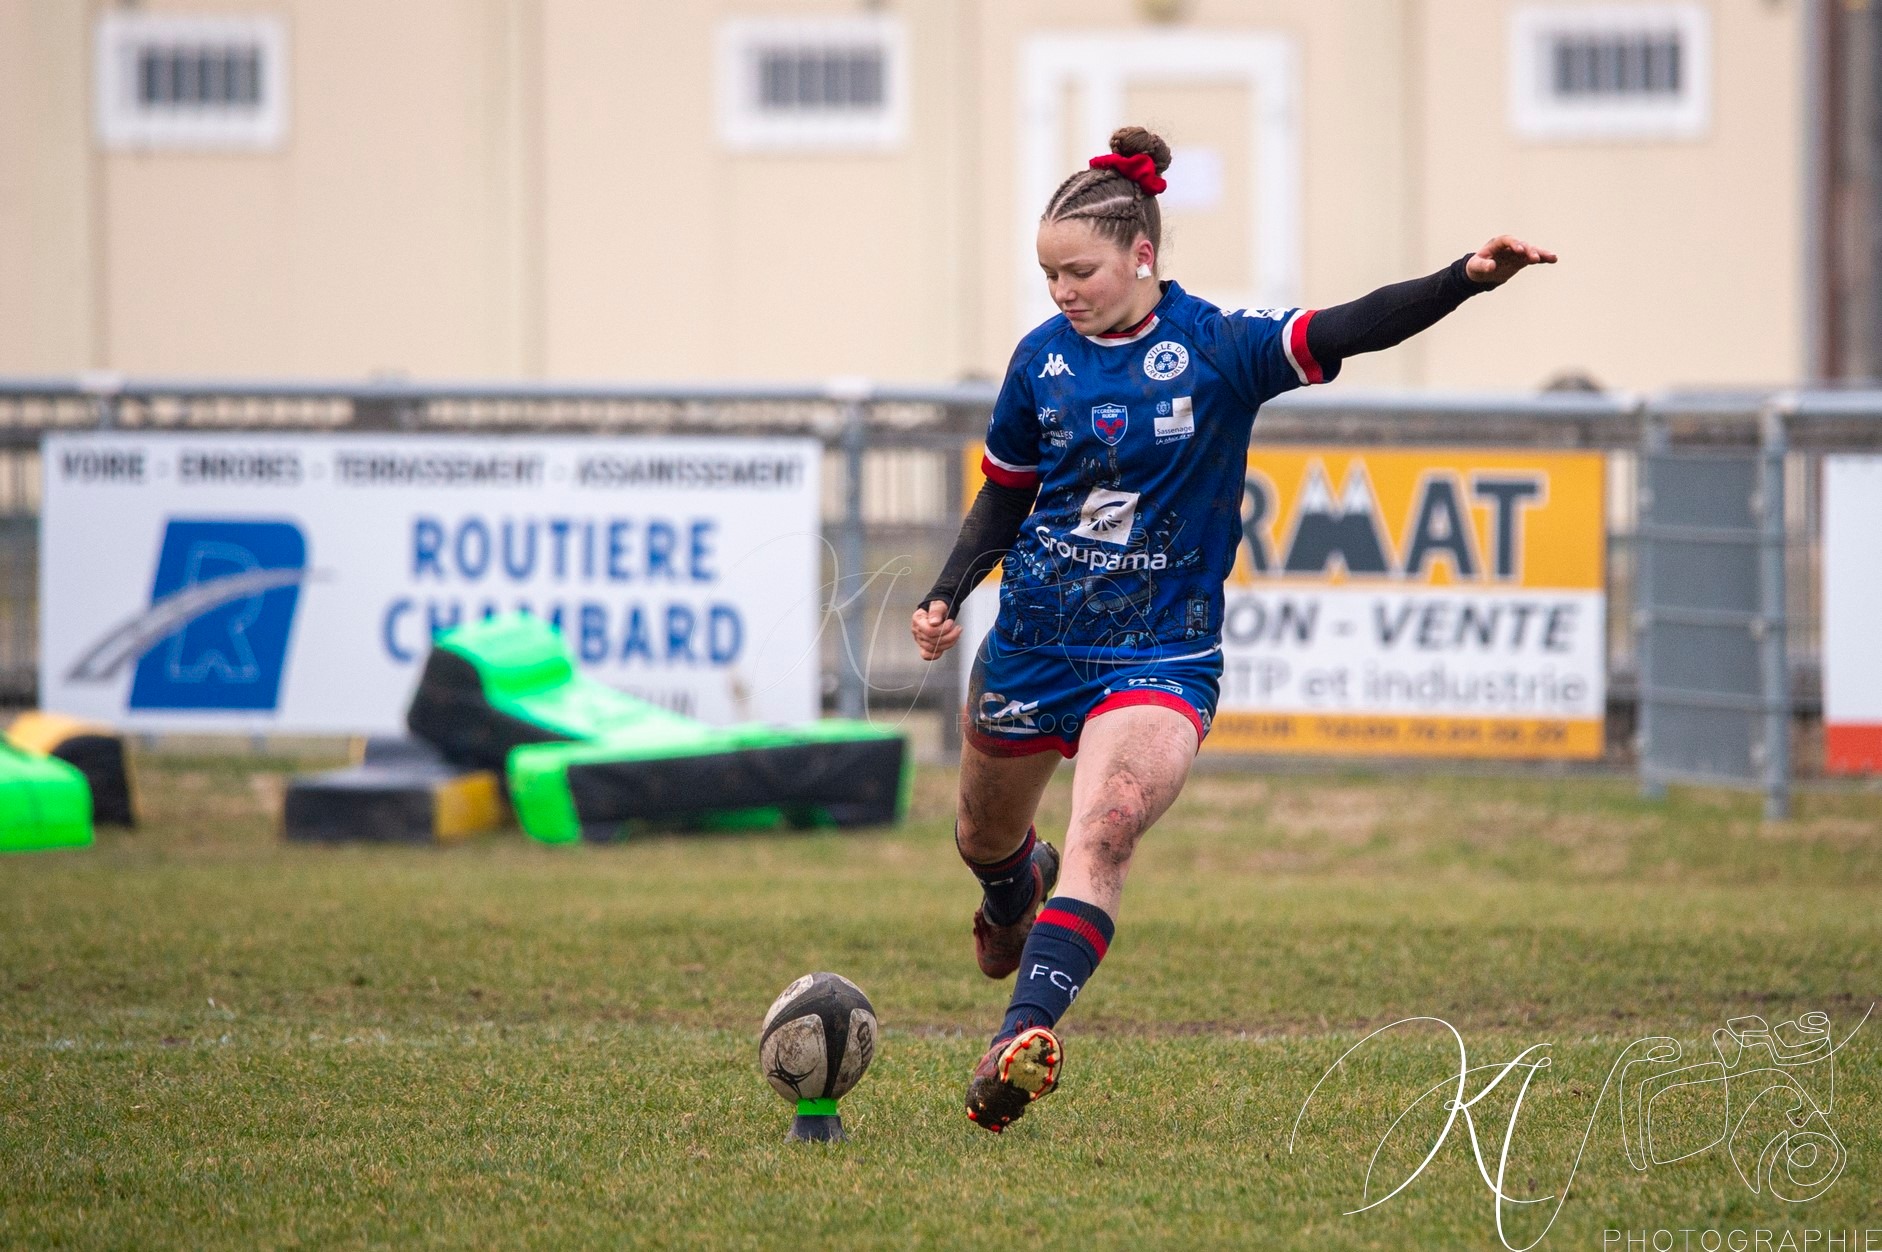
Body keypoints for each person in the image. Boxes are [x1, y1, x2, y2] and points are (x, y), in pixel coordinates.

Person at [911, 125, 1557, 1133]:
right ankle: (1010, 889)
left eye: (1078, 270)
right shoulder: (1038, 361)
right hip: (1036, 637)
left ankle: (1018, 1036)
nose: (1061, 291)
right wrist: (948, 592)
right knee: (982, 836)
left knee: (1111, 822)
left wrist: (1465, 277)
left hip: (1160, 650)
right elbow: (1005, 493)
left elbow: (1351, 325)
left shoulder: (1217, 348)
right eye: (1046, 274)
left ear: (1141, 256)